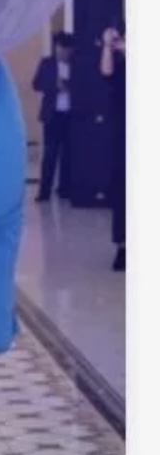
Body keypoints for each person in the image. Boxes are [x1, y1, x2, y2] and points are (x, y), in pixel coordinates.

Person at [32, 31, 76, 202]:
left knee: (68, 154)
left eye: (64, 49)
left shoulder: (76, 65)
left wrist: (68, 85)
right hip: (52, 116)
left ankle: (64, 189)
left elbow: (83, 86)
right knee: (50, 154)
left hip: (71, 116)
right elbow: (36, 84)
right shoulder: (47, 63)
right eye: (58, 48)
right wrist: (54, 86)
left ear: (70, 50)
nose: (60, 52)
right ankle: (44, 192)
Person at [100, 24, 126, 271]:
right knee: (122, 189)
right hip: (123, 132)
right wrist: (108, 46)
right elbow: (106, 72)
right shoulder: (119, 63)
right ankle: (123, 245)